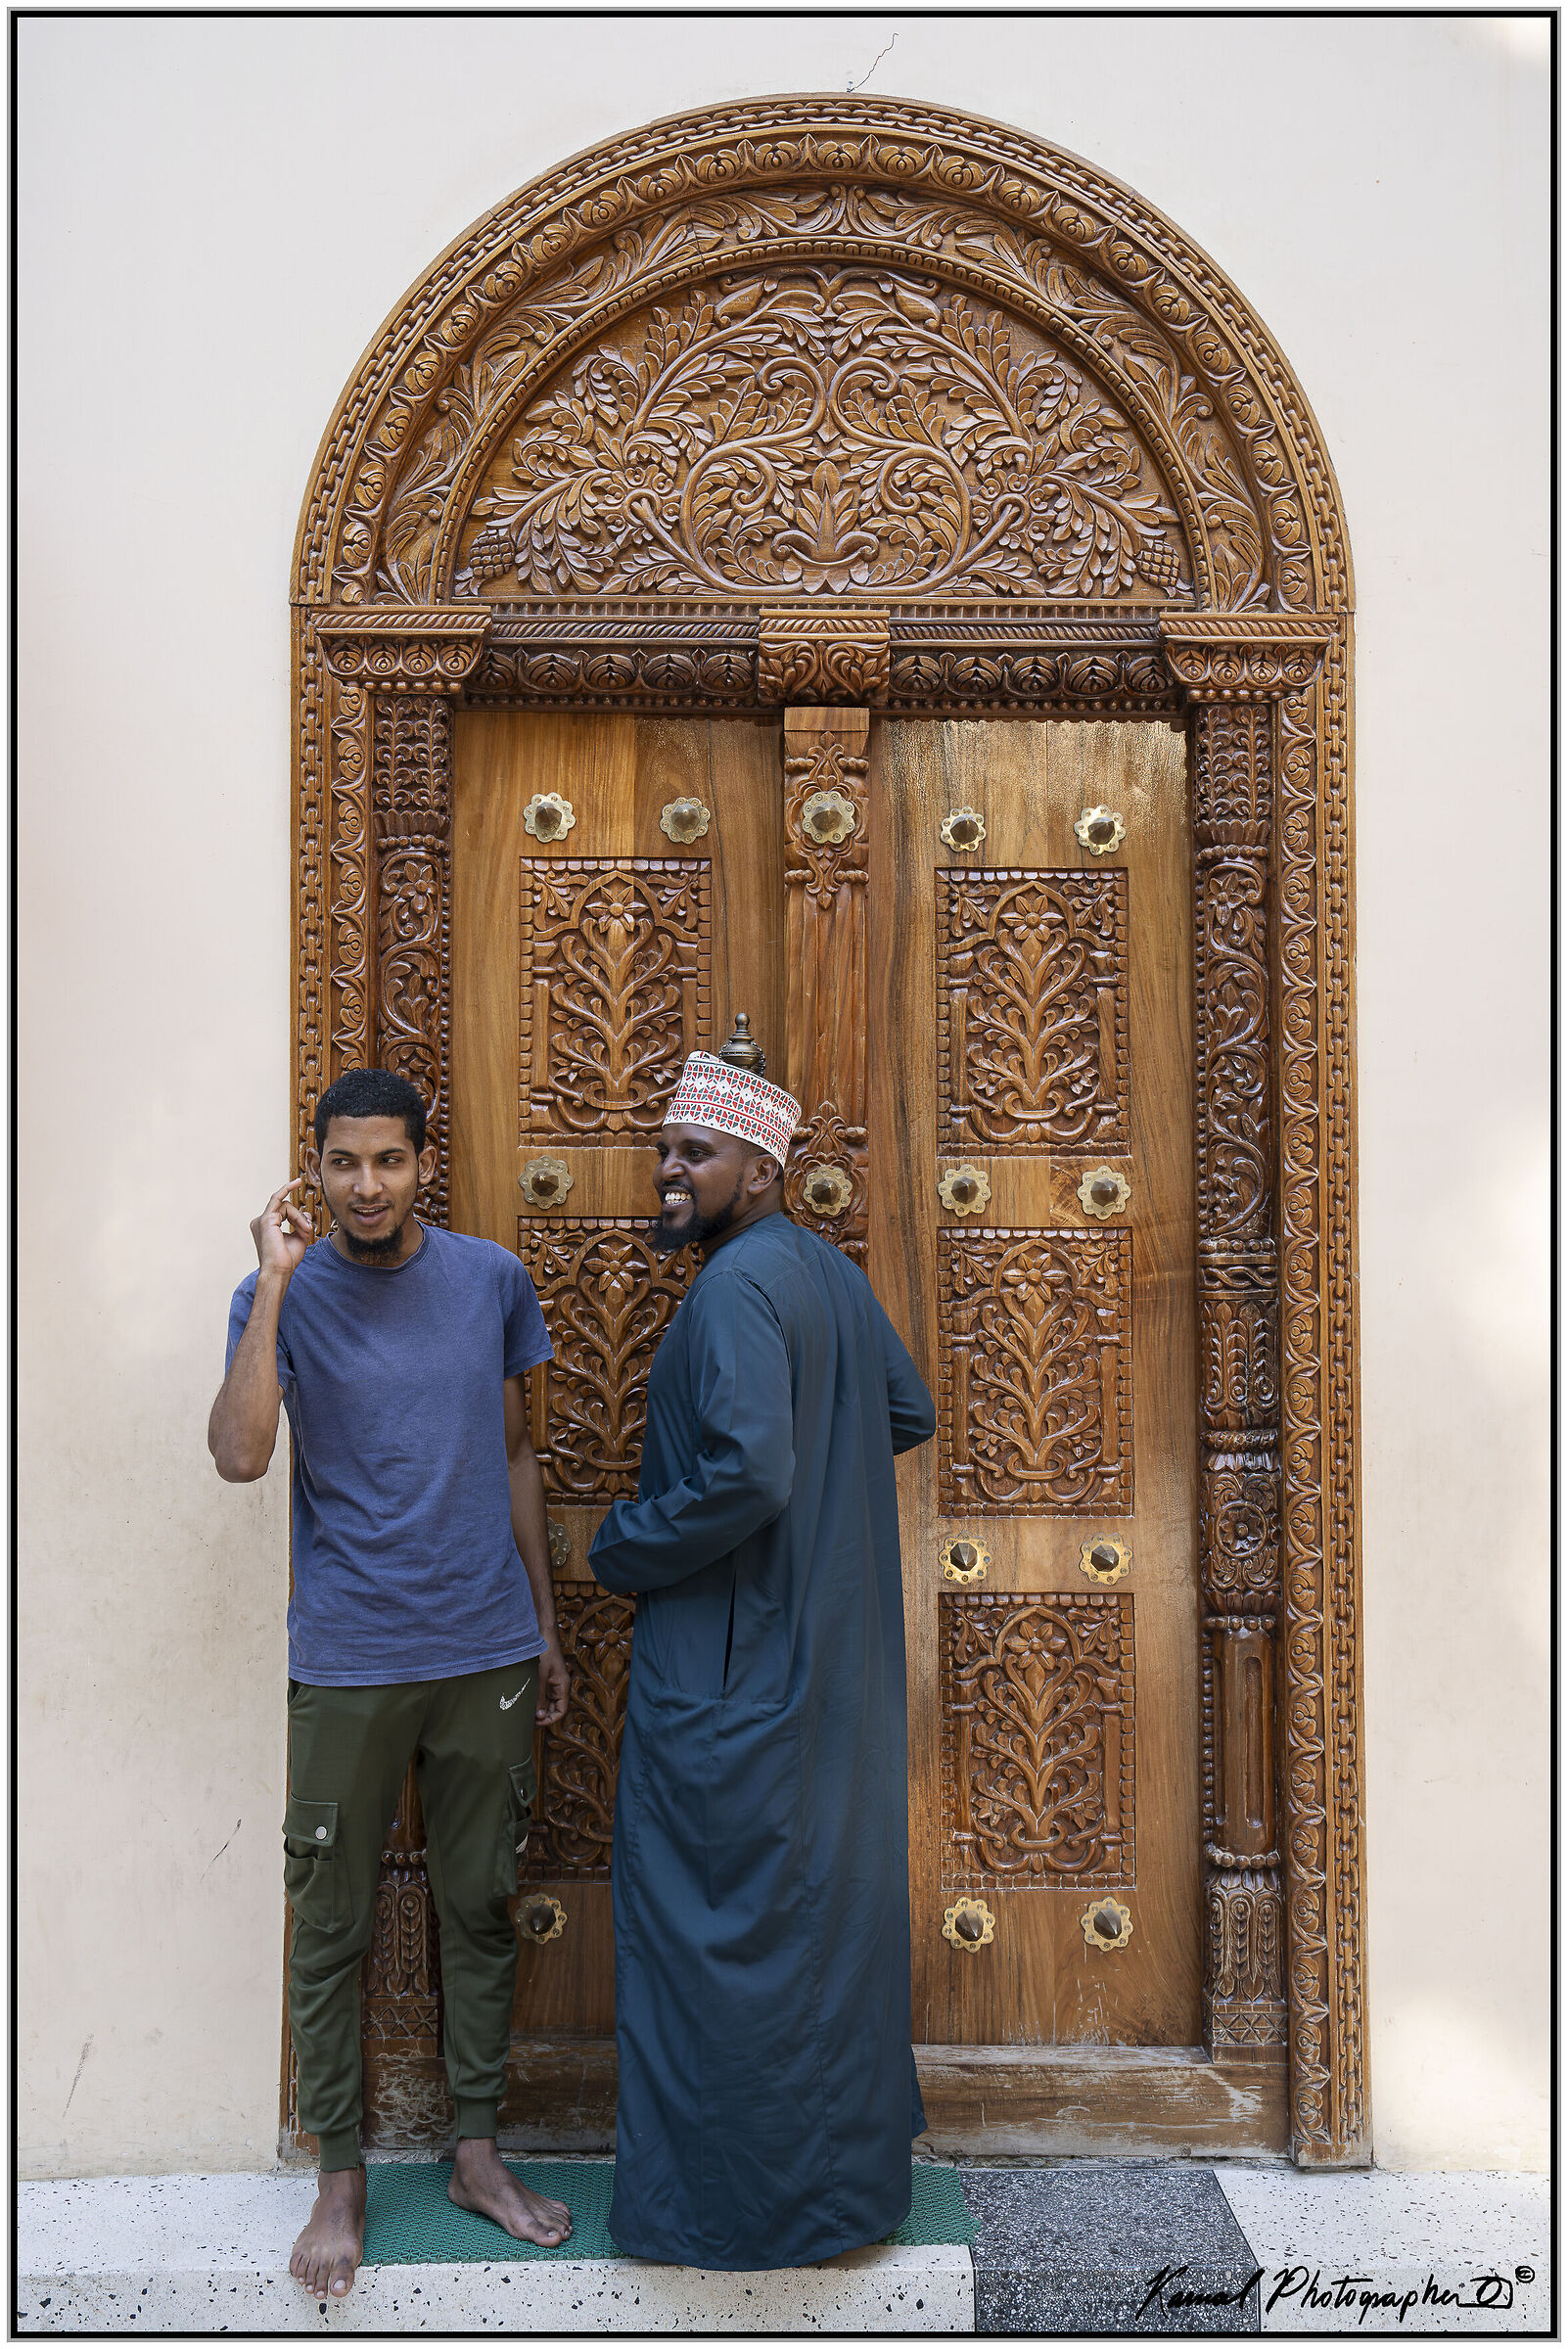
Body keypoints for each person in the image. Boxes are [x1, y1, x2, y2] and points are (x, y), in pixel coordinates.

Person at [208, 1067, 574, 2298]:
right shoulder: (282, 1298)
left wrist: (546, 1626)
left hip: (483, 1652)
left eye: (389, 1162)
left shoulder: (489, 1283)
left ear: (426, 1164)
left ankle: (475, 2154)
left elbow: (520, 1454)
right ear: (312, 1172)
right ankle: (341, 2177)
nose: (367, 1186)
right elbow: (244, 1458)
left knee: (480, 1909)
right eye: (344, 1164)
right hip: (351, 1660)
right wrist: (269, 1288)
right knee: (331, 1925)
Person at [589, 1045, 937, 2270]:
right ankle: (840, 2201)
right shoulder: (823, 1276)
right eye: (669, 1149)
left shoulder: (738, 1287)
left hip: (736, 1673)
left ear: (763, 1166)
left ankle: (733, 2217)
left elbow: (746, 1471)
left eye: (698, 1153)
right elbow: (906, 1411)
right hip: (824, 1669)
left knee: (719, 1937)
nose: (671, 1171)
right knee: (817, 1933)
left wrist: (626, 1544)